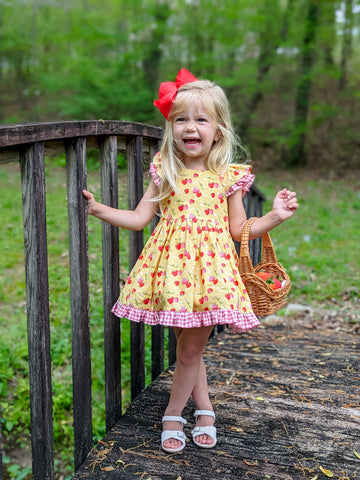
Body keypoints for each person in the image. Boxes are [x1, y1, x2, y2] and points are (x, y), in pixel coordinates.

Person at [82, 68, 298, 453]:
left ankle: (171, 414)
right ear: (171, 127)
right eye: (181, 119)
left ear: (218, 130)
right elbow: (138, 219)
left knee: (187, 351)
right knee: (189, 351)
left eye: (201, 119)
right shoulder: (166, 168)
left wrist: (275, 217)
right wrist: (99, 210)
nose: (190, 127)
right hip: (171, 275)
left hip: (210, 275)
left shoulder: (226, 176)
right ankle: (206, 411)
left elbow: (238, 229)